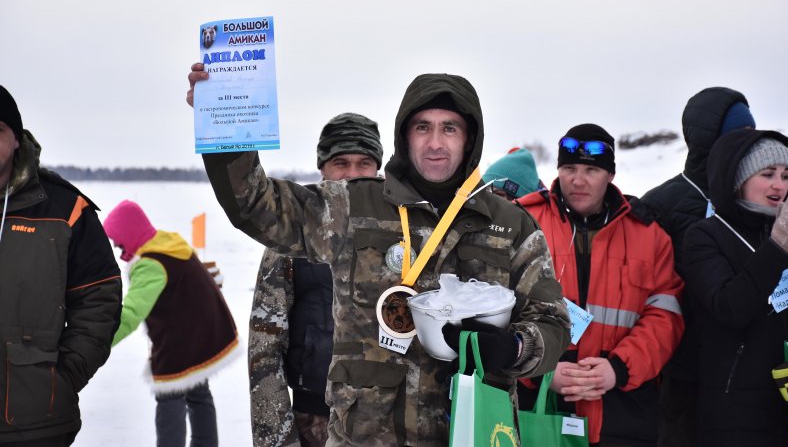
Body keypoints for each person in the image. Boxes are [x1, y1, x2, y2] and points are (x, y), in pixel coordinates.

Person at [186, 64, 571, 446]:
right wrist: (223, 122)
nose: (435, 142)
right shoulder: (352, 206)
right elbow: (257, 206)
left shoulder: (510, 224)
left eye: (449, 128)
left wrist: (516, 347)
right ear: (405, 136)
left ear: (469, 139)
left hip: (475, 433)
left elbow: (553, 323)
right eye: (423, 127)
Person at [518, 123, 685, 446]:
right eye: (569, 168)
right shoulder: (524, 222)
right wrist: (539, 367)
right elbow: (500, 308)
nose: (577, 180)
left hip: (623, 413)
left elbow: (667, 316)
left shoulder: (648, 235)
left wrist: (619, 368)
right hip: (539, 408)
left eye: (591, 169)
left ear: (610, 174)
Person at [249, 112, 383, 447]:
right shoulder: (291, 238)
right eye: (341, 162)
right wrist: (276, 437)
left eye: (364, 163)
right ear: (322, 167)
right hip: (315, 420)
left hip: (387, 420)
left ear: (378, 168)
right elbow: (265, 348)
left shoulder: (402, 234)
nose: (352, 174)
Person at [0, 85, 122, 446]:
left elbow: (99, 300)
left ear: (17, 140)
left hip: (36, 423)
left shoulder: (64, 210)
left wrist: (60, 376)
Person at [640, 87, 754, 447]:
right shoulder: (662, 203)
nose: (744, 146)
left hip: (743, 362)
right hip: (680, 364)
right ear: (709, 140)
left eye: (750, 137)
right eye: (736, 136)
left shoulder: (754, 197)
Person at [681, 129, 788, 446]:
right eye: (768, 174)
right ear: (738, 179)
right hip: (733, 408)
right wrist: (776, 248)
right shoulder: (704, 236)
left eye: (786, 175)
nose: (779, 184)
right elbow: (730, 308)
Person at [103, 200, 239, 447]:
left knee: (169, 397)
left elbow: (131, 313)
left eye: (117, 238)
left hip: (180, 341)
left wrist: (97, 341)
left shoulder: (150, 264)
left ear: (129, 233)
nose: (116, 245)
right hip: (203, 332)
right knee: (199, 394)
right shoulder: (168, 243)